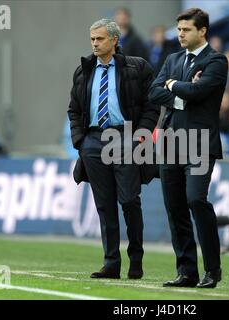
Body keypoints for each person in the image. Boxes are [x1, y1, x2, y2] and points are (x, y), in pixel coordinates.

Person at [68, 19, 159, 280]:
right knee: (104, 205)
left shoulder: (137, 67)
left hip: (125, 138)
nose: (95, 44)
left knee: (130, 200)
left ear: (114, 40)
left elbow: (152, 105)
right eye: (92, 39)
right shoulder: (83, 71)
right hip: (94, 142)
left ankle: (136, 258)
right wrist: (81, 142)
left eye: (100, 39)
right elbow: (74, 109)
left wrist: (140, 136)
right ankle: (111, 263)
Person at [149, 8, 228, 288]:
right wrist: (179, 91)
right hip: (171, 143)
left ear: (202, 31)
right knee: (176, 208)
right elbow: (153, 92)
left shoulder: (216, 61)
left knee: (196, 199)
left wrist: (173, 85)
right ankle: (187, 272)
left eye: (186, 30)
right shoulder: (172, 59)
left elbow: (198, 92)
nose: (180, 34)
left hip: (200, 144)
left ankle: (213, 270)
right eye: (179, 29)